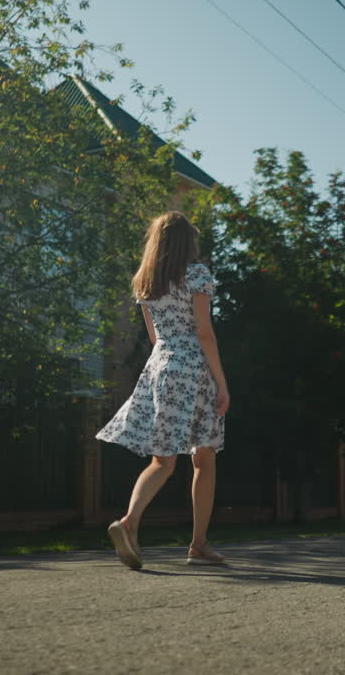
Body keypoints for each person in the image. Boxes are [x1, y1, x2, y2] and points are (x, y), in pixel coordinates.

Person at [96, 211, 230, 569]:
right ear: (188, 241)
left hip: (160, 365)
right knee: (204, 458)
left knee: (162, 459)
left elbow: (154, 336)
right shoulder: (197, 275)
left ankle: (129, 521)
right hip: (193, 367)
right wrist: (221, 382)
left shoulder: (145, 281)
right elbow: (204, 333)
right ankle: (198, 545)